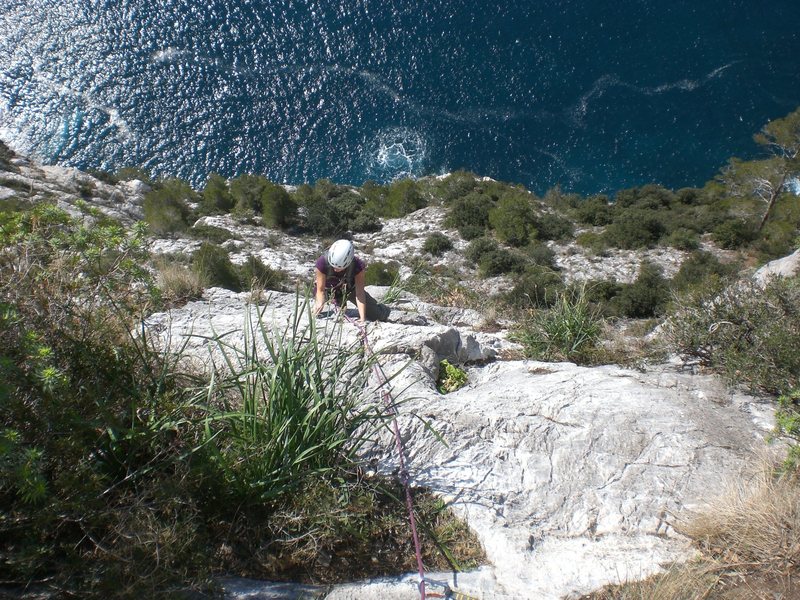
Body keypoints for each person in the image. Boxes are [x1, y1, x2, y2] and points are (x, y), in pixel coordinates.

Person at [313, 239, 390, 322]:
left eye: (339, 268)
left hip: (350, 290)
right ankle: (339, 305)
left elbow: (359, 293)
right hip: (328, 290)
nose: (335, 270)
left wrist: (362, 318)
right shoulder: (322, 262)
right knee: (337, 312)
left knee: (377, 315)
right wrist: (319, 304)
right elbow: (320, 290)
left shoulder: (357, 266)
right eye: (333, 266)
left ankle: (383, 311)